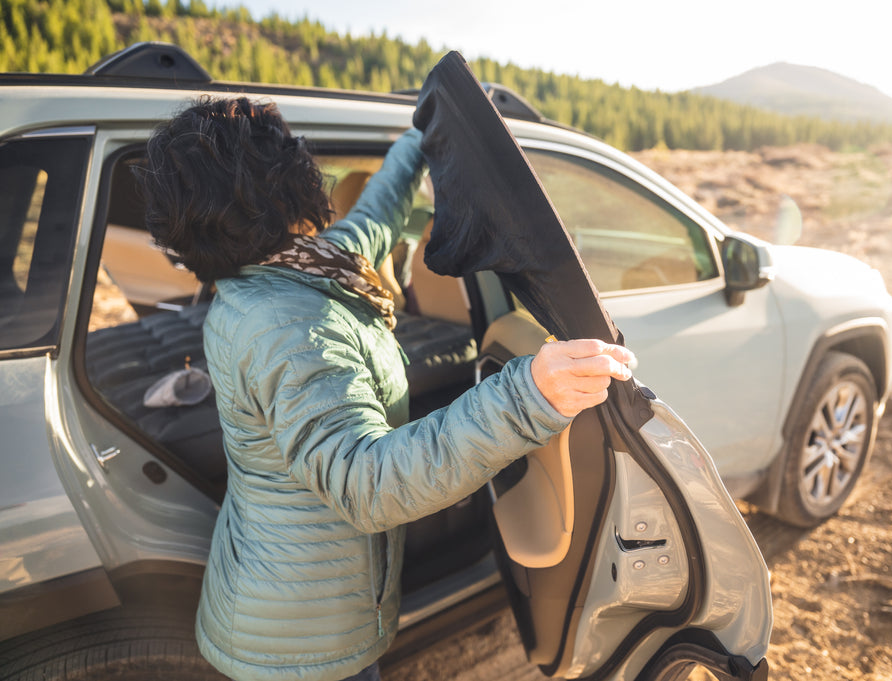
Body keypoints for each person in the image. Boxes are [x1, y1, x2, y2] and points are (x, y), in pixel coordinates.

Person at [137, 96, 635, 681]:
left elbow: (377, 212)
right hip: (298, 646)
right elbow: (366, 482)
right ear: (275, 185)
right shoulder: (288, 325)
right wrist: (528, 396)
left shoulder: (295, 269)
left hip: (285, 596)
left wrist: (418, 141)